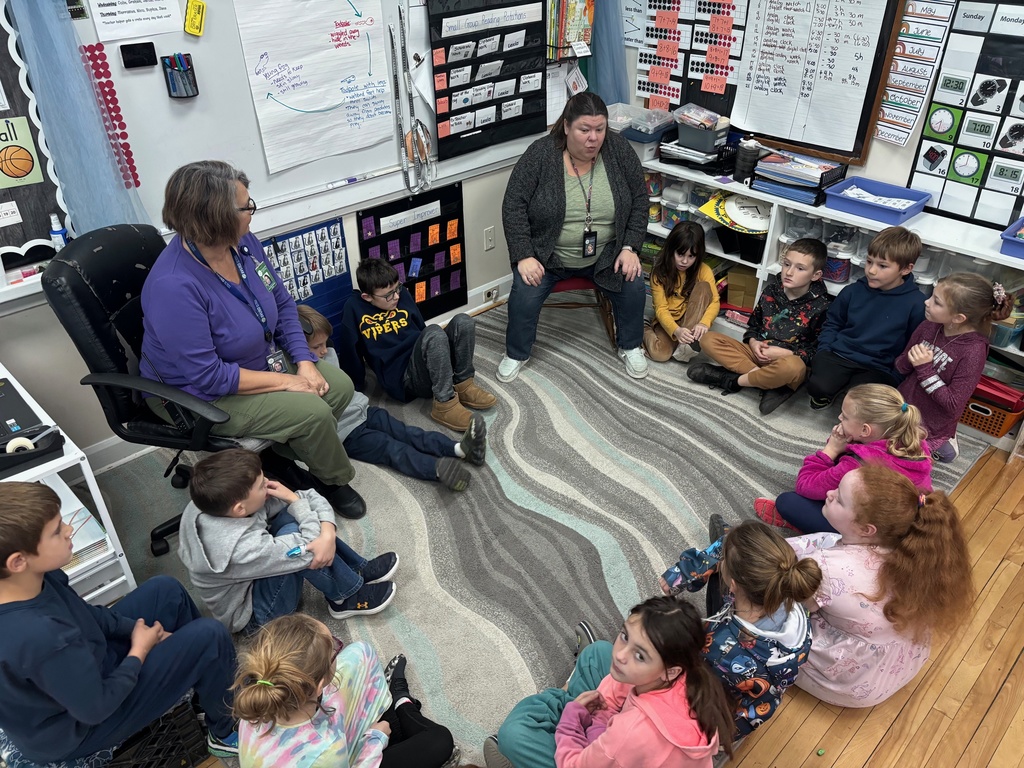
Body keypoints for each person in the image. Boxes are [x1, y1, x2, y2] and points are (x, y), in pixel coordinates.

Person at [140, 160, 366, 520]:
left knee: (335, 386)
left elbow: (282, 303)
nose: (252, 213)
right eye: (246, 207)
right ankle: (331, 481)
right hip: (197, 394)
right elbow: (209, 376)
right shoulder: (174, 287)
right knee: (312, 412)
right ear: (215, 217)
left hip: (253, 359)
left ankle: (279, 455)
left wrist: (305, 362)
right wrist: (289, 382)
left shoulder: (242, 244)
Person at [0, 482, 239, 762]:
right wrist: (139, 651)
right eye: (56, 531)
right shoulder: (41, 636)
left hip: (87, 669)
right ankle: (225, 732)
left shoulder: (38, 578)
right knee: (210, 636)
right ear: (18, 562)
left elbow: (88, 616)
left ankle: (206, 688)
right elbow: (96, 708)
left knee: (166, 591)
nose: (69, 530)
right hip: (80, 726)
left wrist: (139, 632)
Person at [498, 92, 651, 383]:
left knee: (633, 283)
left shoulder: (618, 150)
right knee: (524, 295)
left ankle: (630, 345)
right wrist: (524, 255)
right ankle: (516, 353)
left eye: (600, 129)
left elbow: (640, 200)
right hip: (548, 256)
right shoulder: (541, 154)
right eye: (584, 130)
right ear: (567, 126)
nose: (593, 138)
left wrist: (630, 246)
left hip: (607, 254)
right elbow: (513, 204)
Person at [791, 464, 972, 707]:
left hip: (845, 683)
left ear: (867, 530)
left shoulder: (825, 568)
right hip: (899, 666)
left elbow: (795, 610)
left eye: (840, 499)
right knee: (826, 542)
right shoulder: (916, 549)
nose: (829, 493)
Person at [491, 596, 734, 768]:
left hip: (619, 746)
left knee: (514, 734)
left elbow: (575, 764)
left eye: (639, 655)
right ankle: (571, 695)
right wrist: (598, 720)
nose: (621, 654)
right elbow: (614, 696)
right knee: (599, 652)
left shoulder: (630, 734)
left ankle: (562, 702)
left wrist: (571, 720)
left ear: (671, 671)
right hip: (623, 742)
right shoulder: (685, 674)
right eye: (625, 635)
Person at [178, 449, 398, 633]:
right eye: (261, 484)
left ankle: (355, 570)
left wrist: (328, 532)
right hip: (256, 617)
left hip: (254, 570)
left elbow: (308, 497)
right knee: (300, 535)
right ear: (239, 509)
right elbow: (308, 548)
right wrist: (294, 500)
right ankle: (345, 597)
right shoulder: (240, 549)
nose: (268, 483)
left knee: (299, 518)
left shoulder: (216, 501)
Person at [659, 520, 823, 741]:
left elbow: (684, 673)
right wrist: (682, 573)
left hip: (714, 698)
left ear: (733, 585)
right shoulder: (791, 598)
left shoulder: (718, 649)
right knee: (736, 541)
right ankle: (730, 551)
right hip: (752, 663)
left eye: (723, 560)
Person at [298, 304, 487, 492]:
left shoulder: (327, 353)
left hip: (365, 410)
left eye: (325, 343)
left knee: (408, 432)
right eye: (317, 346)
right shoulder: (297, 378)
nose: (324, 350)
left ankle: (461, 449)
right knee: (390, 448)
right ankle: (437, 469)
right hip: (346, 433)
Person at [233, 613, 458, 767]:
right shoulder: (327, 750)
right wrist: (376, 739)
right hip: (335, 757)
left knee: (361, 652)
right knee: (440, 741)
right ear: (320, 684)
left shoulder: (251, 710)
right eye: (334, 649)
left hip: (317, 735)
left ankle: (398, 704)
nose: (337, 650)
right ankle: (402, 702)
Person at [337, 258, 497, 432]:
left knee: (463, 321)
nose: (396, 296)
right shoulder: (354, 308)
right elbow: (349, 350)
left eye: (397, 288)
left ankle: (463, 383)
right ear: (367, 297)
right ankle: (445, 403)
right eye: (388, 294)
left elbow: (421, 328)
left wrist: (436, 354)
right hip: (404, 376)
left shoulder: (401, 295)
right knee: (434, 333)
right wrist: (355, 386)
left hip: (423, 358)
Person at [755, 383, 932, 533]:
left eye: (845, 417)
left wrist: (831, 449)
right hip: (908, 524)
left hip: (874, 534)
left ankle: (829, 539)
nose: (839, 418)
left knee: (788, 502)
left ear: (865, 430)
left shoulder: (858, 464)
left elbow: (805, 485)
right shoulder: (916, 442)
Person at [690, 238, 832, 414]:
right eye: (787, 264)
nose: (789, 272)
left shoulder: (824, 306)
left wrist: (786, 353)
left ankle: (734, 380)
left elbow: (818, 354)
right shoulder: (771, 290)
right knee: (708, 338)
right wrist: (754, 343)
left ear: (816, 275)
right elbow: (753, 327)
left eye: (800, 268)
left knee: (794, 367)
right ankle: (768, 383)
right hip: (757, 355)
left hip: (788, 361)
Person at [896, 273, 1013, 463]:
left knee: (900, 460)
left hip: (931, 422)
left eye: (936, 302)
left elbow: (952, 404)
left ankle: (945, 442)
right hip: (903, 406)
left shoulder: (973, 351)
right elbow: (900, 367)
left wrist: (925, 368)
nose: (926, 302)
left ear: (958, 317)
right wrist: (911, 360)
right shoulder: (928, 325)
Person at [806, 226, 926, 410]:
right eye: (869, 262)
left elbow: (913, 345)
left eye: (882, 266)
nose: (871, 271)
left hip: (879, 366)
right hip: (840, 354)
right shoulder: (852, 291)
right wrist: (823, 351)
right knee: (817, 386)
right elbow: (833, 323)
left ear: (906, 269)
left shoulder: (917, 304)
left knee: (863, 405)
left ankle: (849, 391)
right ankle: (831, 391)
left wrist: (896, 375)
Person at [642, 221, 720, 365]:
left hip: (691, 317)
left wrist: (704, 323)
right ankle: (644, 326)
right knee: (660, 354)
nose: (684, 261)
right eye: (680, 254)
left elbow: (715, 301)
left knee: (704, 288)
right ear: (671, 249)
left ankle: (686, 344)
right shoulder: (659, 273)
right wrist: (676, 330)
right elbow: (661, 309)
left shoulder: (703, 270)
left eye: (691, 256)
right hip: (669, 321)